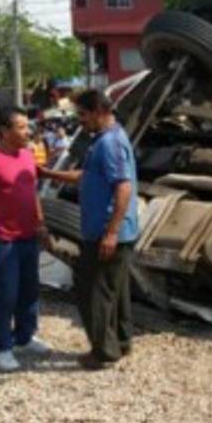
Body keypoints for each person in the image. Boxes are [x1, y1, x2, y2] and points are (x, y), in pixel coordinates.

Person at [41, 89, 138, 370]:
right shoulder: (103, 140)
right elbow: (88, 176)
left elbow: (123, 186)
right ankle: (120, 341)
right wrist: (50, 174)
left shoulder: (110, 143)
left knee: (91, 290)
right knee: (114, 290)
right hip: (109, 231)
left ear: (97, 110)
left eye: (82, 114)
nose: (79, 120)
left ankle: (103, 352)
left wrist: (111, 232)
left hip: (107, 233)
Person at [0, 106, 52, 372]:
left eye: (27, 125)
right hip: (4, 241)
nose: (27, 131)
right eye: (20, 127)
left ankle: (24, 337)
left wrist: (40, 224)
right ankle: (2, 348)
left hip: (29, 237)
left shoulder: (28, 156)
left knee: (29, 291)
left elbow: (32, 194)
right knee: (6, 295)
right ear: (5, 131)